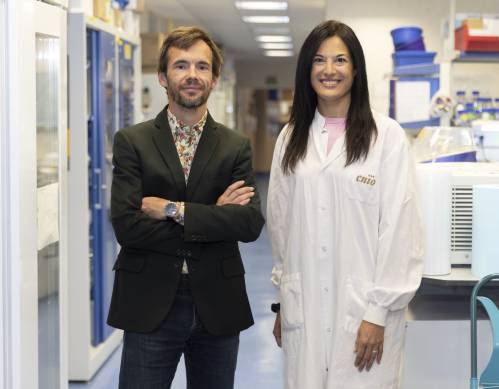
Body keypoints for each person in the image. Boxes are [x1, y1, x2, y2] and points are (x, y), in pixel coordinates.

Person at [267, 20, 424, 389]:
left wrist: (377, 313)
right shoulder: (291, 138)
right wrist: (283, 300)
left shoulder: (386, 137)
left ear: (356, 69)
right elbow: (280, 223)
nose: (329, 70)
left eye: (340, 59)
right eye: (319, 60)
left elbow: (400, 228)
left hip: (364, 310)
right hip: (303, 305)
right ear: (308, 70)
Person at [107, 26, 265, 389]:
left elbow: (249, 223)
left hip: (217, 301)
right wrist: (214, 214)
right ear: (163, 77)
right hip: (150, 301)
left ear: (214, 78)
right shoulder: (133, 142)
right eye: (181, 66)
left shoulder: (234, 146)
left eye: (202, 66)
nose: (192, 75)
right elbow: (128, 226)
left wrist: (173, 209)